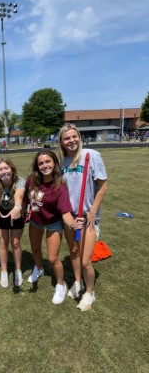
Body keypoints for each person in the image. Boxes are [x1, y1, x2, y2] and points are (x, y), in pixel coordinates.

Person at [58, 123, 108, 311]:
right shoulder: (62, 162)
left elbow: (103, 186)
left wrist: (93, 211)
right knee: (73, 251)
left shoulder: (91, 156)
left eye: (74, 136)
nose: (71, 141)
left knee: (86, 260)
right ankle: (77, 282)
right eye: (66, 138)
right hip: (70, 217)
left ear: (79, 137)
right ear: (61, 142)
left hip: (88, 216)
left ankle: (90, 292)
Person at [24, 150, 83, 305]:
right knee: (35, 249)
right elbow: (24, 198)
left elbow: (65, 213)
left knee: (52, 258)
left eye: (48, 162)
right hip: (36, 220)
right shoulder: (31, 180)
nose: (45, 165)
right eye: (41, 163)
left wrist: (72, 224)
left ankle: (60, 285)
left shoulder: (60, 187)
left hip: (53, 223)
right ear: (37, 166)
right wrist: (20, 209)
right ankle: (39, 268)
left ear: (55, 163)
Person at [0, 158, 25, 288]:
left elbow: (19, 196)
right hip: (1, 213)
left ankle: (18, 270)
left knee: (15, 243)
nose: (4, 171)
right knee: (3, 243)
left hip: (16, 212)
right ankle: (4, 271)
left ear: (12, 169)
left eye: (6, 168)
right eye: (0, 169)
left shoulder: (20, 181)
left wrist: (17, 207)